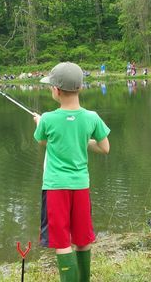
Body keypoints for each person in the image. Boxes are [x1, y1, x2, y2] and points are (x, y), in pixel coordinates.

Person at [34, 62, 111, 282]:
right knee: (82, 239)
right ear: (80, 88)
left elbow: (42, 141)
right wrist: (82, 139)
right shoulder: (92, 117)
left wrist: (39, 121)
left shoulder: (47, 118)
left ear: (56, 90)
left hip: (55, 186)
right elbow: (105, 148)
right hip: (81, 185)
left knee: (62, 242)